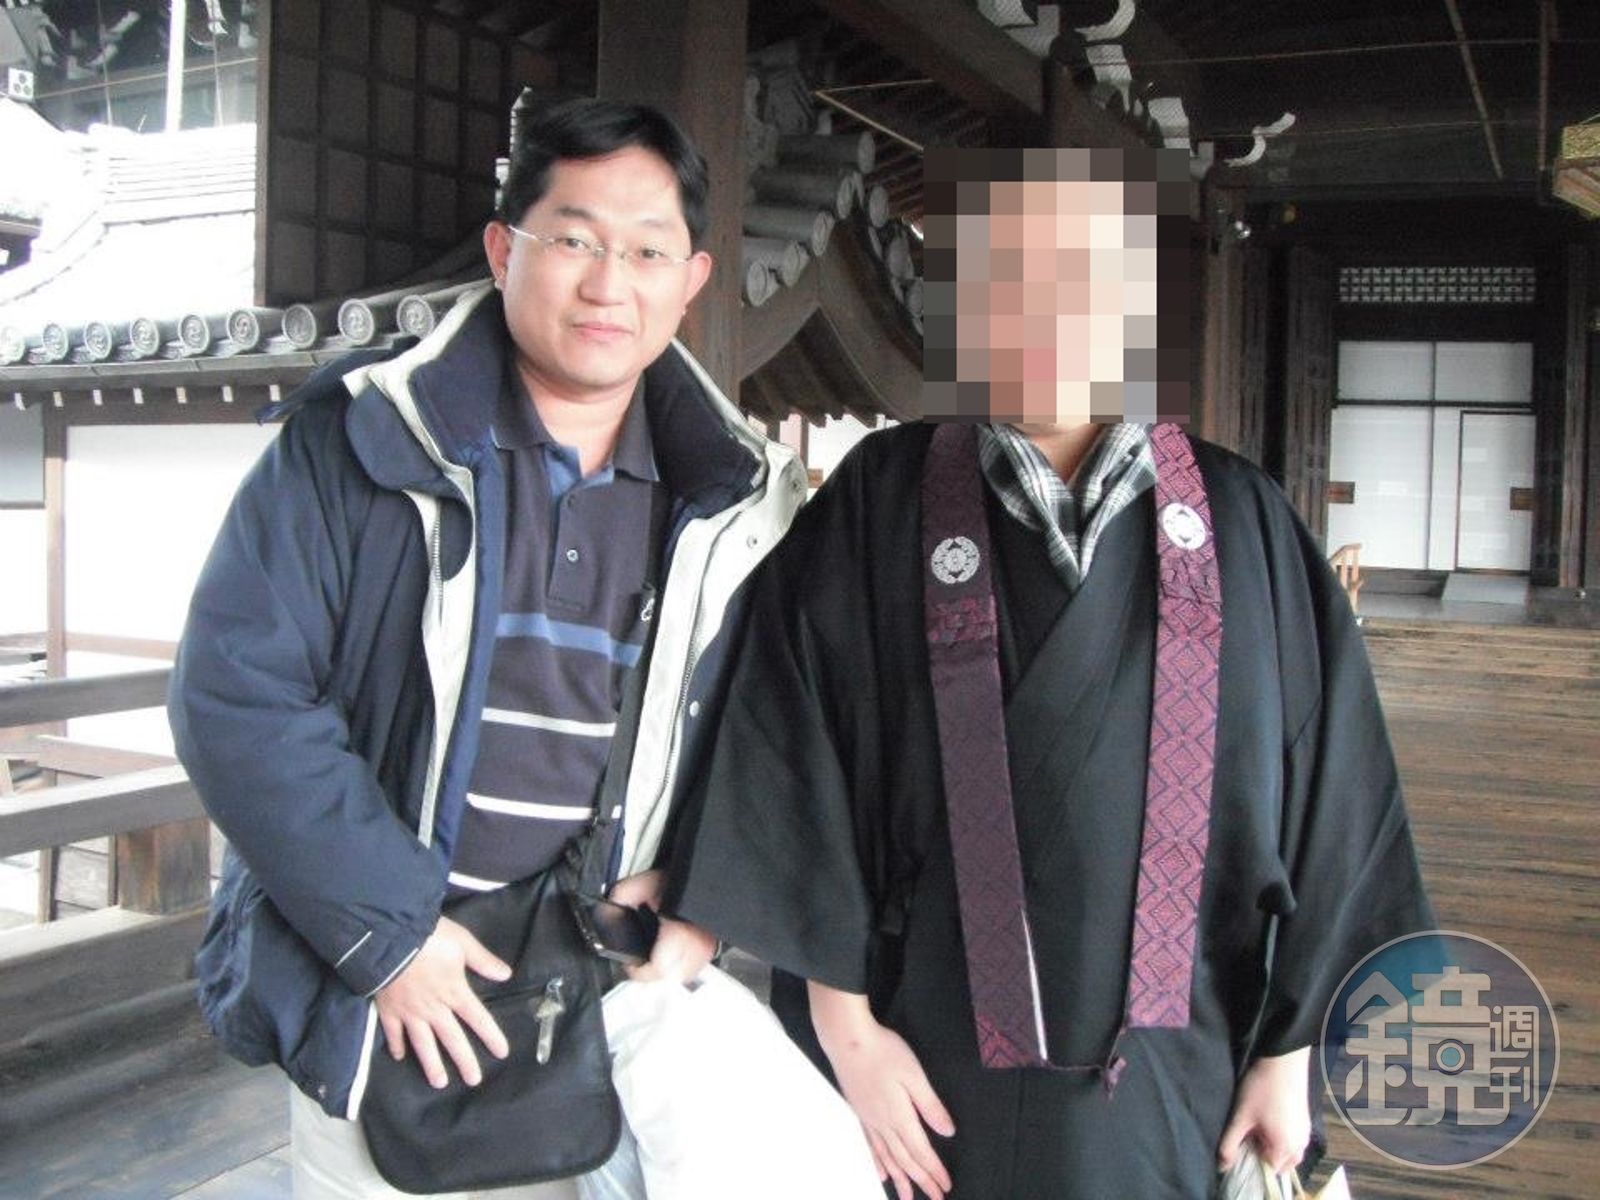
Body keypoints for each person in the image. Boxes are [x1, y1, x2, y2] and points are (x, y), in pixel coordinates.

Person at [663, 147, 1434, 1199]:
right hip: (917, 1060)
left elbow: (1336, 801)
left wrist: (1287, 1054)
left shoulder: (1243, 518)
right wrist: (846, 1032)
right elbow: (785, 755)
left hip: (1185, 1070)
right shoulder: (877, 500)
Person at [169, 97, 805, 1198]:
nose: (609, 284)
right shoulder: (361, 440)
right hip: (377, 990)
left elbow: (780, 731)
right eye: (576, 240)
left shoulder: (736, 503)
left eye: (647, 251)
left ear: (692, 280)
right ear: (505, 250)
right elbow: (236, 694)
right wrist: (391, 940)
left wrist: (710, 891)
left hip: (596, 992)